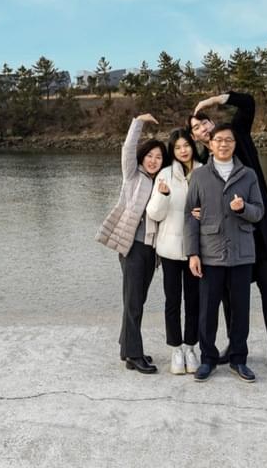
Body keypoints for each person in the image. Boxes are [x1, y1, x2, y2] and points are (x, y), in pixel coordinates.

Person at [191, 91, 267, 374]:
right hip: (226, 241)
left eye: (204, 122)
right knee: (228, 296)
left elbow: (248, 103)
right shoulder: (202, 164)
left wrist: (209, 101)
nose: (203, 128)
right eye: (196, 127)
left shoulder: (237, 138)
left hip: (259, 233)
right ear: (195, 137)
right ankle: (234, 347)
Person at [184, 122, 264, 382]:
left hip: (242, 253)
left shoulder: (248, 175)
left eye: (228, 140)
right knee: (207, 311)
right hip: (210, 253)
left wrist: (243, 208)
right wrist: (192, 254)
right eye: (218, 140)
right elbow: (190, 216)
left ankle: (238, 359)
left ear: (235, 144)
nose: (223, 144)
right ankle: (208, 359)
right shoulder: (199, 176)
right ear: (210, 144)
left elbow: (259, 212)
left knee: (240, 310)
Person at [95, 113, 165, 373]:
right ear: (143, 157)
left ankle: (128, 347)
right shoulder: (133, 176)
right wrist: (138, 121)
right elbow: (127, 149)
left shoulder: (160, 183)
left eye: (159, 157)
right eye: (150, 156)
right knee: (133, 302)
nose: (153, 160)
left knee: (137, 300)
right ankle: (134, 355)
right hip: (132, 248)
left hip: (151, 250)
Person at [144, 127, 201, 374]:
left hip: (197, 250)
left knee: (194, 300)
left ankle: (190, 347)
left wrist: (205, 213)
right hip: (169, 249)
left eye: (186, 145)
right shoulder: (165, 174)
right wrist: (163, 195)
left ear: (192, 146)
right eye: (177, 147)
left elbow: (215, 207)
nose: (183, 150)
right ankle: (176, 349)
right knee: (173, 301)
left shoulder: (204, 171)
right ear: (173, 151)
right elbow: (154, 214)